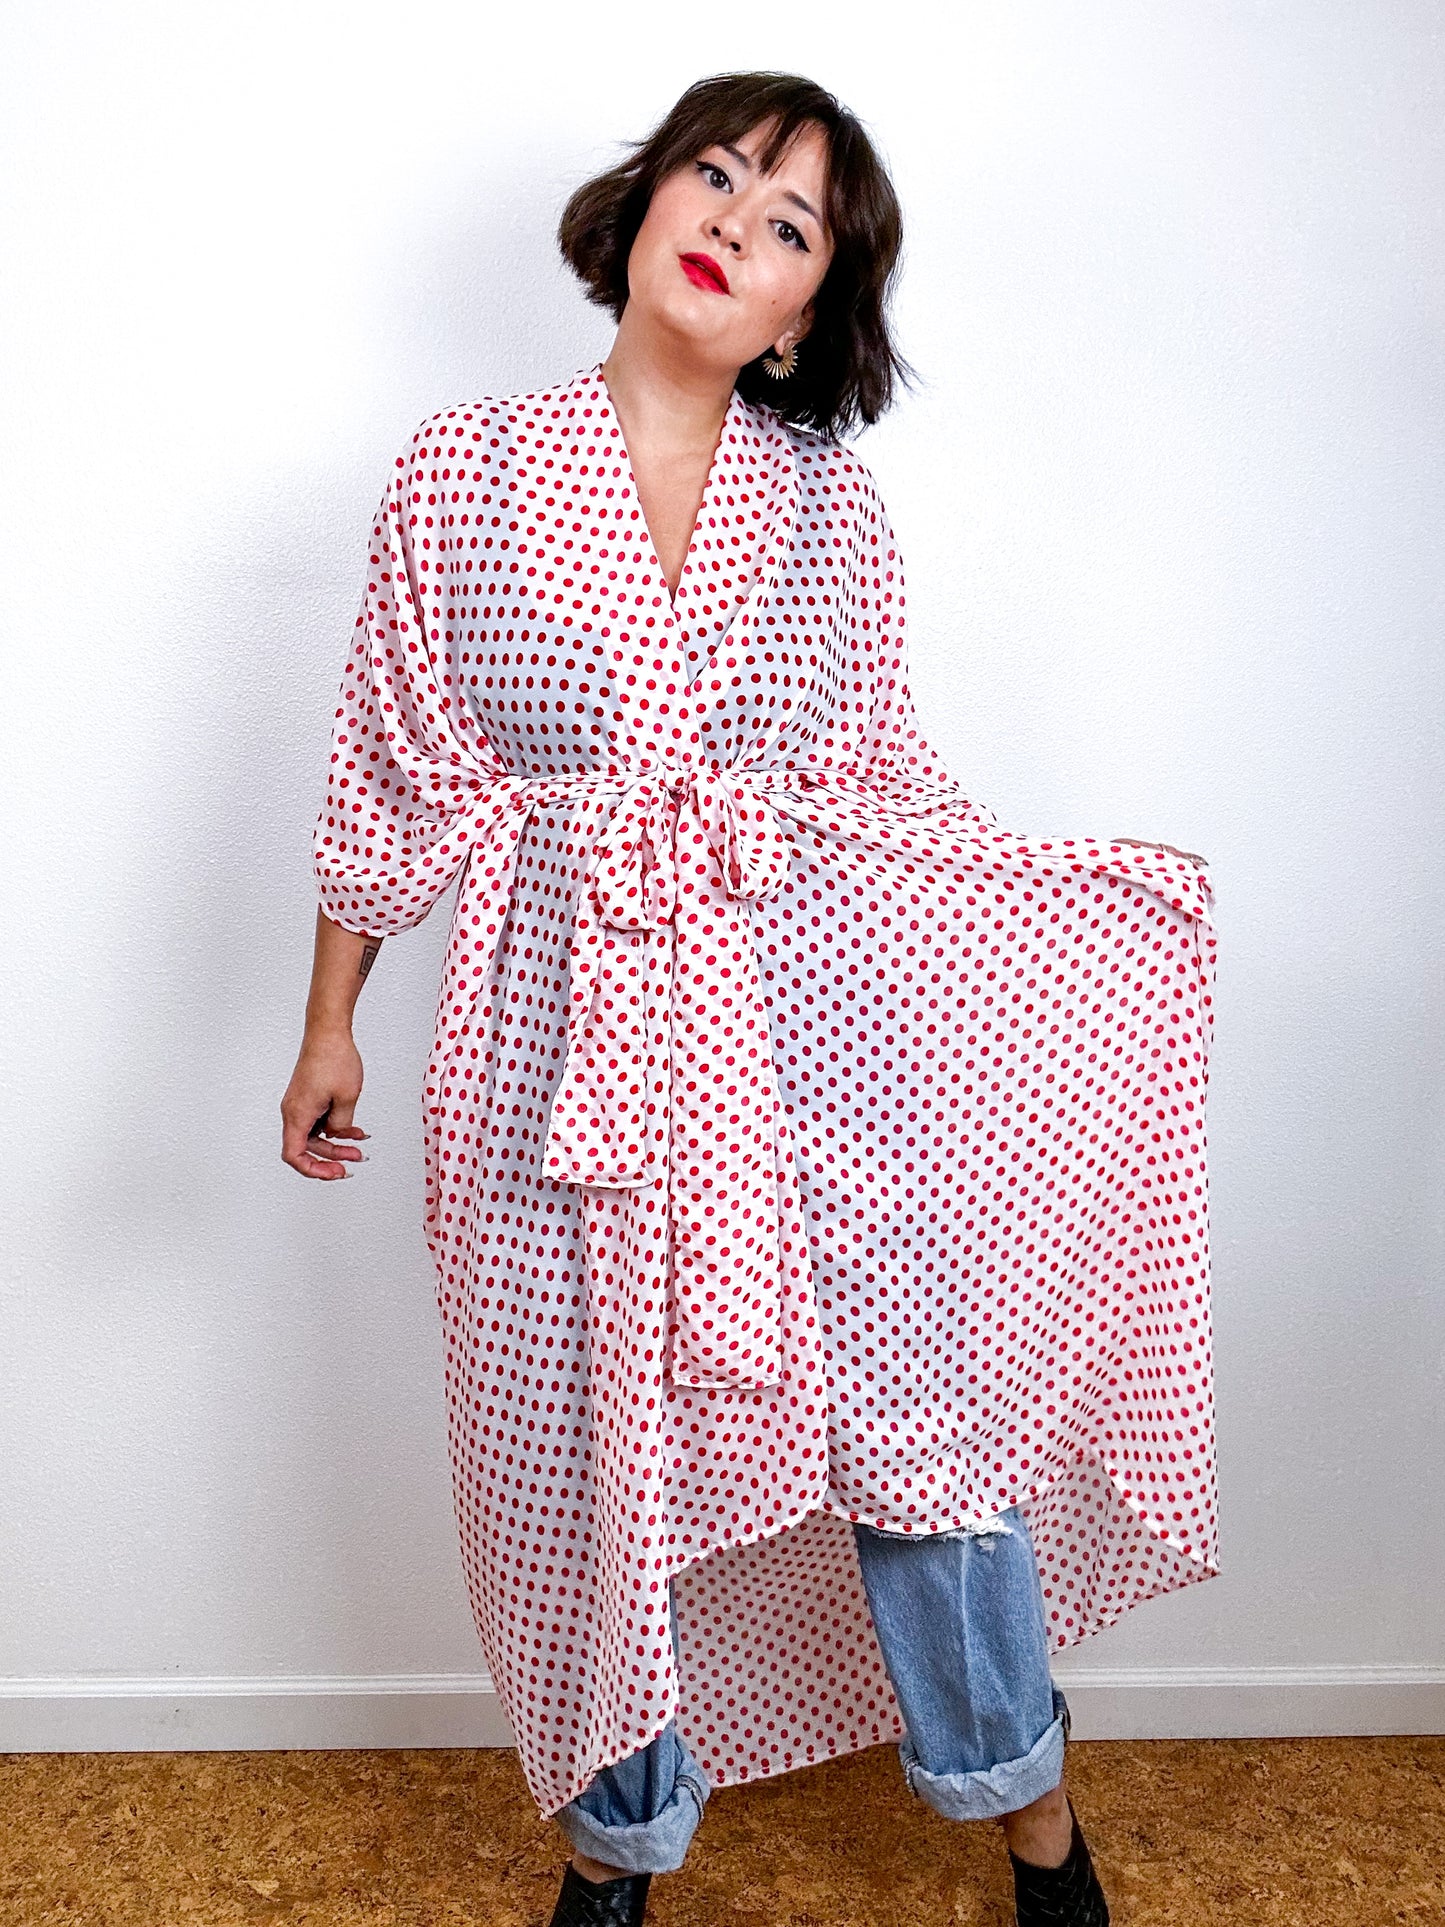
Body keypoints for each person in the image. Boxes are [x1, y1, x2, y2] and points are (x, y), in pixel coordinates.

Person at [281, 71, 1217, 1927]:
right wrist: (330, 1021)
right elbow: (394, 763)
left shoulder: (831, 509)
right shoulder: (460, 469)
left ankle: (1036, 1831)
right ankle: (611, 1858)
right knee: (575, 1476)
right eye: (713, 174)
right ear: (641, 203)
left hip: (810, 1052)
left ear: (805, 311)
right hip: (550, 1048)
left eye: (788, 223)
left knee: (919, 1442)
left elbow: (878, 784)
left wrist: (1064, 911)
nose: (733, 221)